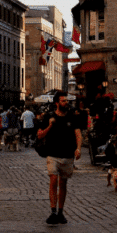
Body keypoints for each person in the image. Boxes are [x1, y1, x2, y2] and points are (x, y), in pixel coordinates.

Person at [37, 92, 82, 225]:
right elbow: (39, 135)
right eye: (63, 101)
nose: (66, 103)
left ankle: (61, 212)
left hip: (68, 155)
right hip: (52, 154)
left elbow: (78, 134)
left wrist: (78, 148)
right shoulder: (48, 117)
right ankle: (53, 212)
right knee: (53, 179)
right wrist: (50, 126)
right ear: (57, 103)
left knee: (63, 183)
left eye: (66, 101)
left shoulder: (72, 117)